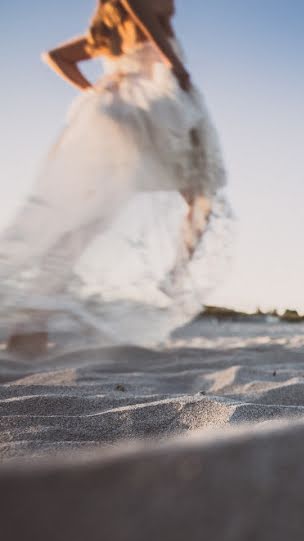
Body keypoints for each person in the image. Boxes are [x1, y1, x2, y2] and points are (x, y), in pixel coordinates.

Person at [0, 0, 233, 358]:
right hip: (161, 109)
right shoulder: (147, 17)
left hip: (120, 111)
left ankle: (34, 320)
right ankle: (176, 275)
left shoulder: (106, 34)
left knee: (89, 221)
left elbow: (57, 57)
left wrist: (95, 91)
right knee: (202, 196)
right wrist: (174, 65)